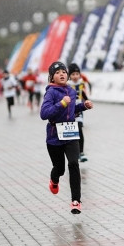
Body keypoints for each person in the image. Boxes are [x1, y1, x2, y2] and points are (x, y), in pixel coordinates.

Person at [40, 61, 93, 214]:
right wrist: (61, 104)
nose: (62, 74)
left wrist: (83, 106)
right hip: (54, 136)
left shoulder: (70, 91)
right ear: (51, 77)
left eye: (64, 71)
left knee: (73, 164)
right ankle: (54, 179)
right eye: (57, 72)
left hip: (70, 133)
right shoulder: (50, 92)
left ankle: (76, 201)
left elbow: (72, 110)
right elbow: (44, 114)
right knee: (60, 168)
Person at [68, 63, 91, 162]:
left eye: (77, 74)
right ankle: (73, 153)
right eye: (73, 74)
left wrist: (87, 100)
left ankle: (81, 152)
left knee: (79, 129)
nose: (75, 76)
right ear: (69, 76)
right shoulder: (67, 85)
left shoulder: (81, 83)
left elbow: (83, 93)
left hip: (79, 110)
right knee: (72, 133)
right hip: (69, 111)